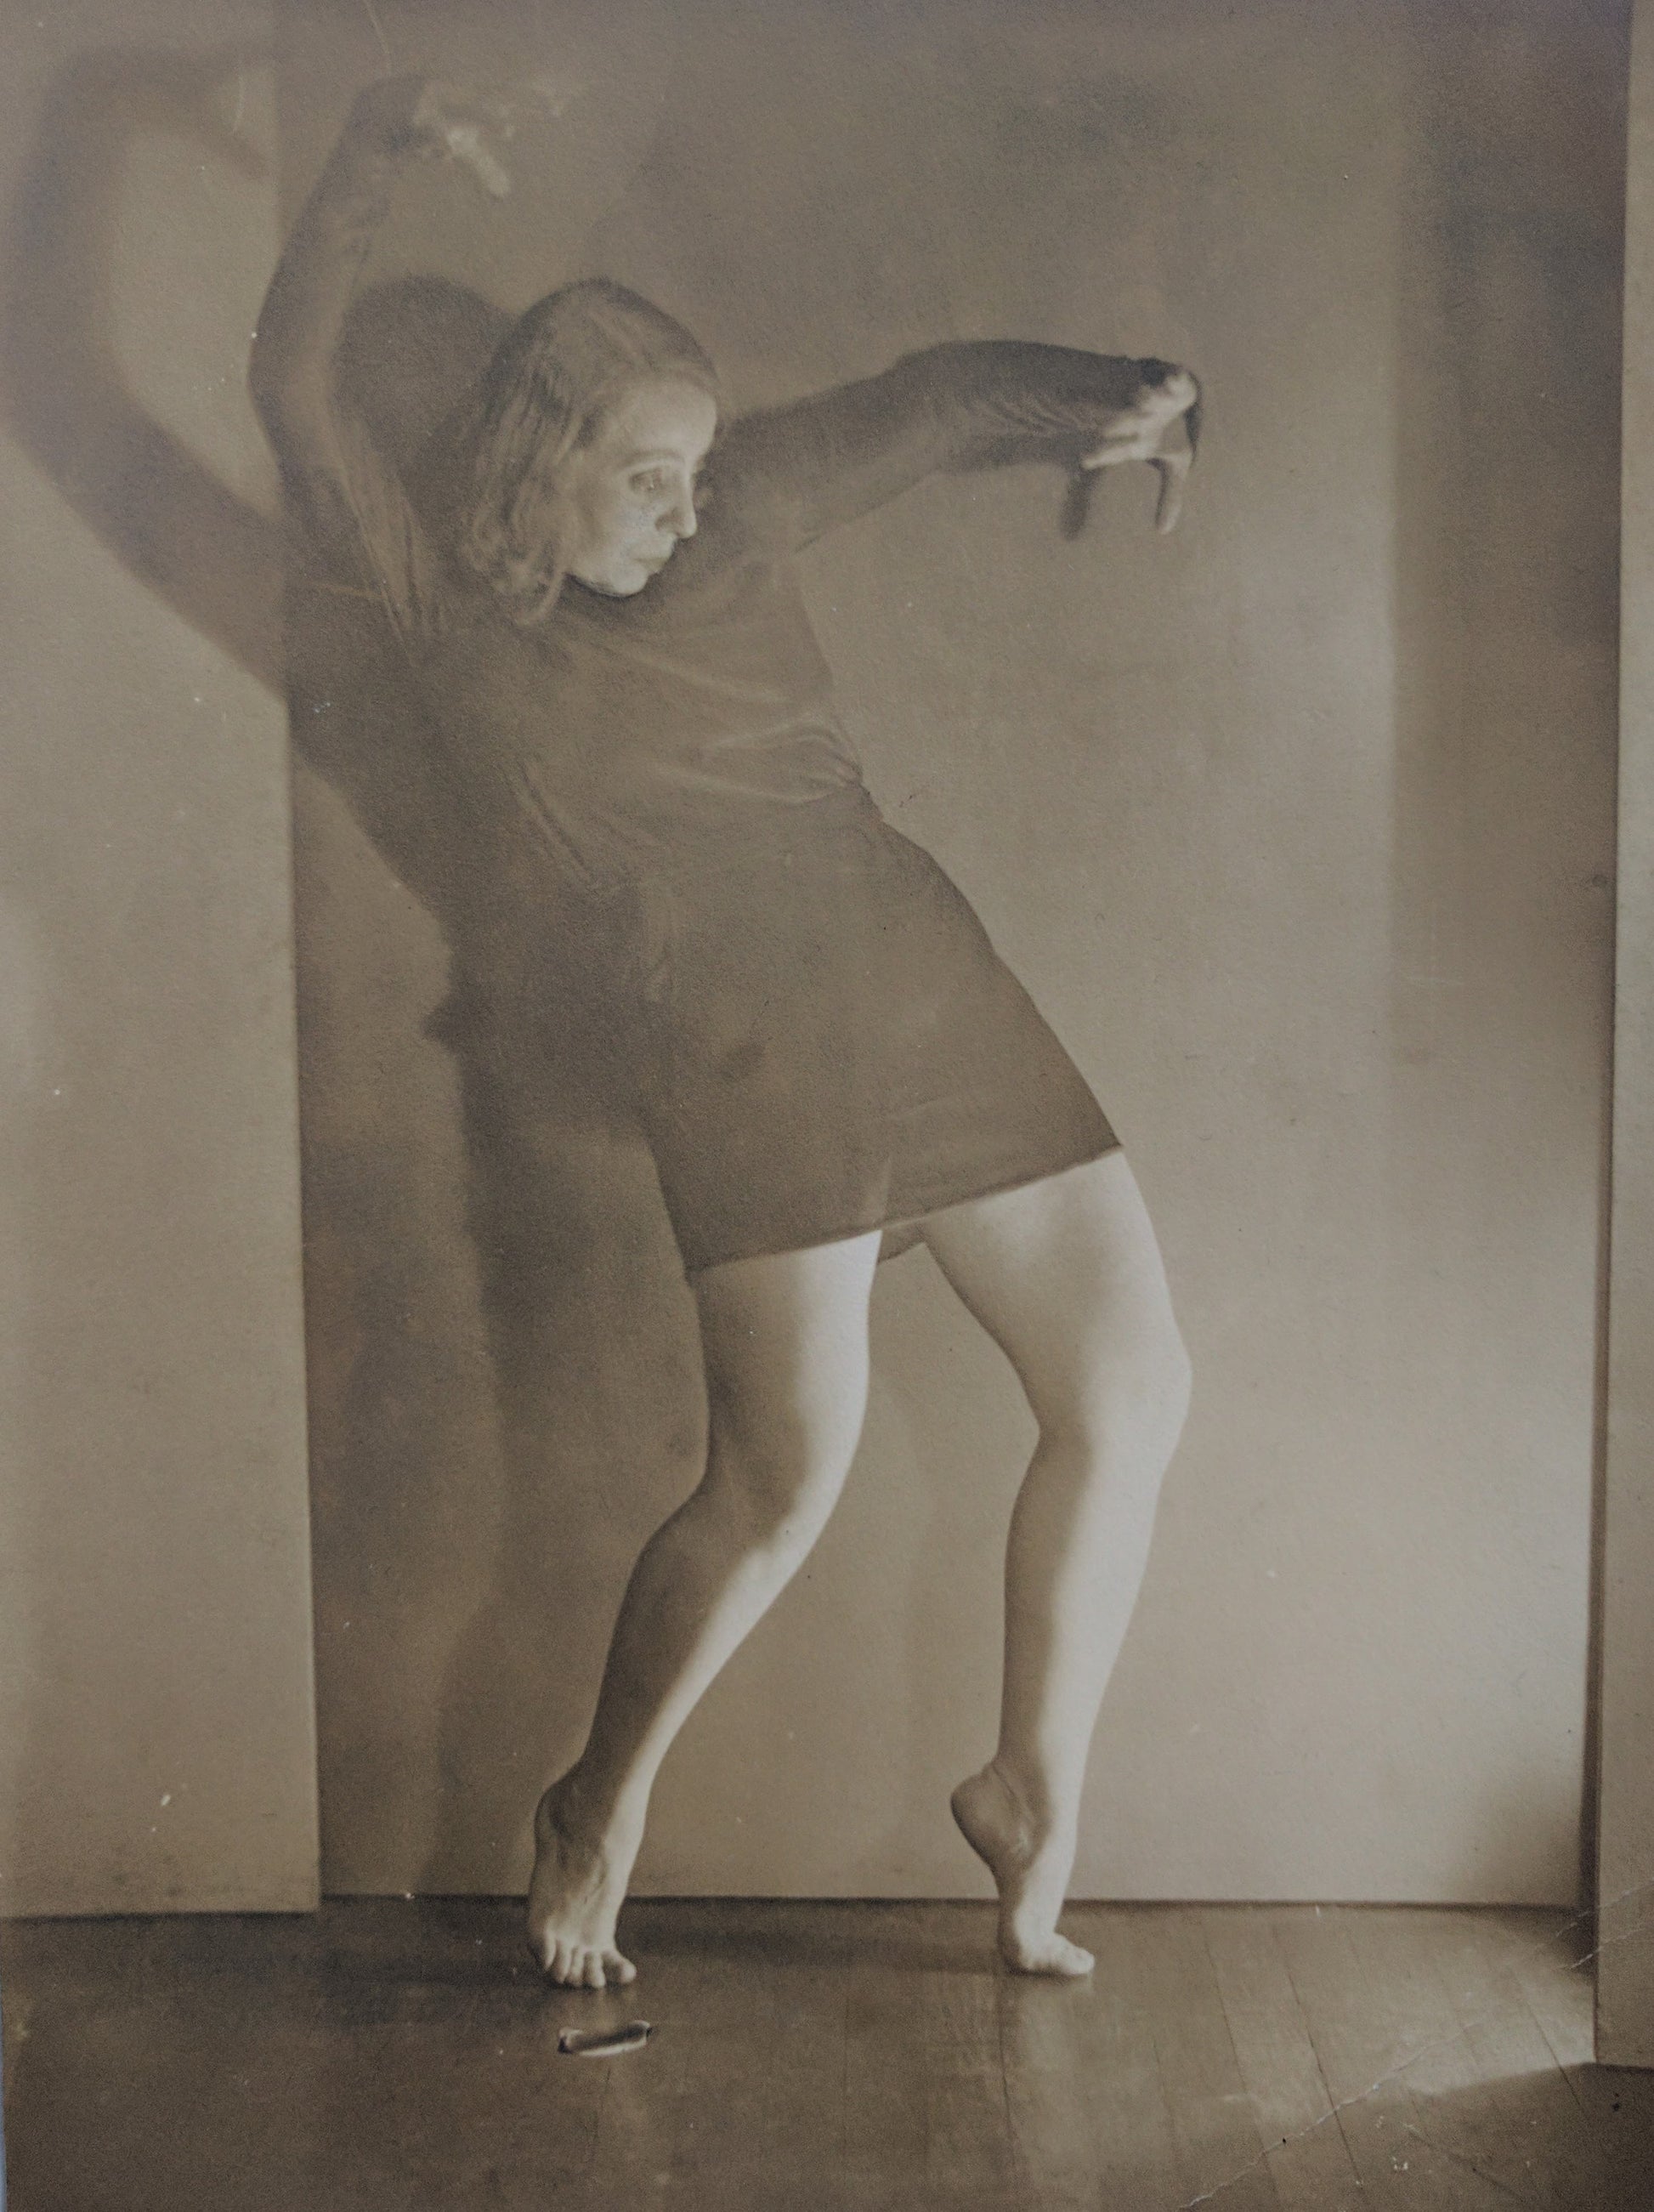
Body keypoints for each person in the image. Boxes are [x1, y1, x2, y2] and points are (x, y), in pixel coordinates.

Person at [250, 76, 1198, 1988]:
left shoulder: (735, 510)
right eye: (646, 479)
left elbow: (930, 403)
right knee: (779, 1484)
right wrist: (367, 158)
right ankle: (593, 1803)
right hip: (745, 1039)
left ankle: (1028, 1788)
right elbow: (287, 386)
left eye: (697, 472)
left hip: (925, 973)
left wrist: (1119, 396)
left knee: (1133, 1388)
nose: (690, 511)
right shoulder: (447, 610)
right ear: (539, 461)